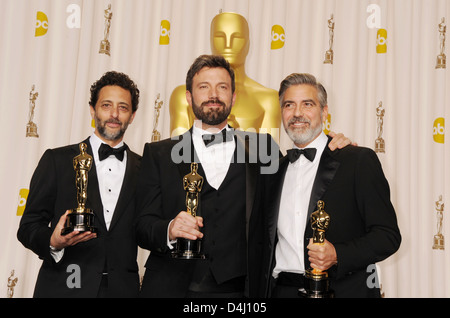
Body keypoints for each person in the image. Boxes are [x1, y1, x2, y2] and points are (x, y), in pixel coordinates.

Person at [136, 55, 351, 298]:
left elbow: (300, 180)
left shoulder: (264, 149)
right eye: (204, 87)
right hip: (171, 288)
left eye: (222, 87)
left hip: (241, 292)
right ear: (189, 97)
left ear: (233, 97)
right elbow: (142, 226)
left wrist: (333, 147)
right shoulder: (158, 153)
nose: (213, 95)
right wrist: (170, 228)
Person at [262, 73, 401, 298]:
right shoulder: (272, 172)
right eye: (289, 105)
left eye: (308, 104)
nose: (297, 113)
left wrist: (337, 254)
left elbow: (387, 236)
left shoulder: (357, 160)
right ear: (282, 113)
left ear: (324, 112)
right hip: (283, 291)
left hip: (344, 290)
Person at [17, 71, 141, 298]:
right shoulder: (57, 160)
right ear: (92, 110)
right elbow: (28, 227)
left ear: (132, 115)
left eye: (123, 107)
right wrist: (53, 241)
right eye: (106, 105)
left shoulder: (145, 169)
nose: (114, 114)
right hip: (62, 288)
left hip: (123, 291)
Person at [169, 12, 281, 141]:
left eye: (237, 37)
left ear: (248, 44)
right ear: (211, 40)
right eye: (220, 37)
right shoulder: (182, 96)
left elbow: (269, 156)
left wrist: (235, 136)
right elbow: (177, 153)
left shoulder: (268, 100)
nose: (228, 44)